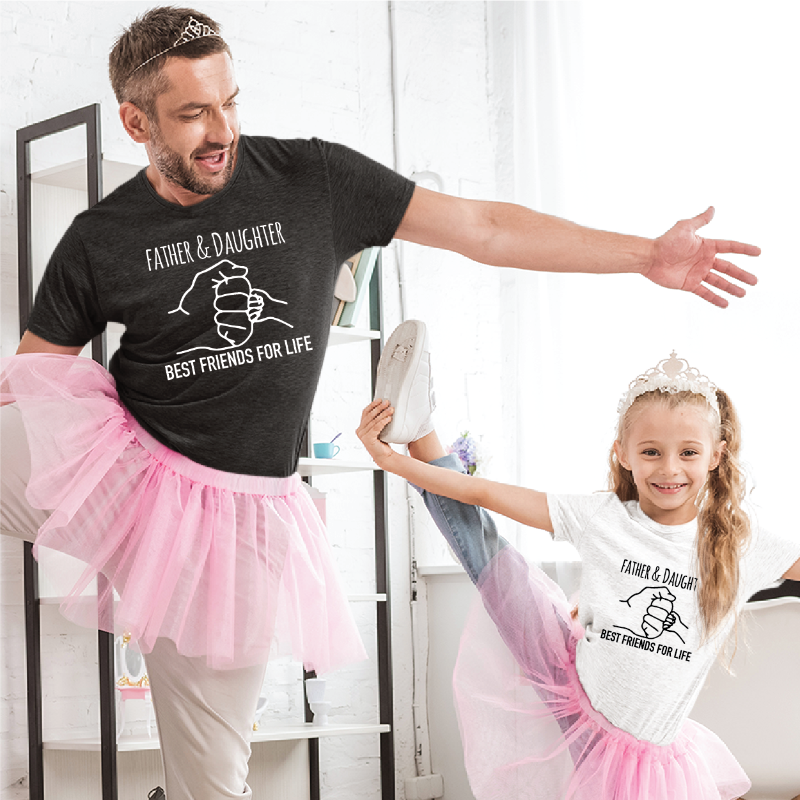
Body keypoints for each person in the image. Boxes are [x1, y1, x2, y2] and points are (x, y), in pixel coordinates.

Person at [0, 6, 763, 799]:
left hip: (231, 526)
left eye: (230, 101)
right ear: (136, 121)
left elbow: (484, 229)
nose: (222, 128)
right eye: (193, 114)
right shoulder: (103, 236)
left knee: (211, 786)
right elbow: (36, 377)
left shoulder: (314, 180)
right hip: (129, 470)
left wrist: (644, 256)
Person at [356, 320, 800, 799]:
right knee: (490, 559)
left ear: (716, 455)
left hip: (643, 757)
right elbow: (482, 491)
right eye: (651, 451)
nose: (669, 468)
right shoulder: (604, 517)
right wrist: (394, 461)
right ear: (624, 454)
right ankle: (421, 425)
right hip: (570, 683)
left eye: (688, 452)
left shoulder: (736, 542)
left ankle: (420, 428)